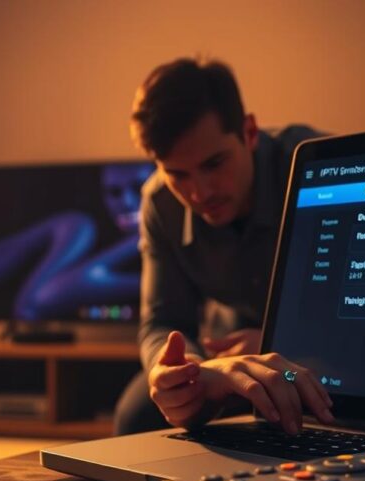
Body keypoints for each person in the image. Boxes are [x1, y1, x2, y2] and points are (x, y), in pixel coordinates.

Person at [113, 57, 336, 436]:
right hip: (223, 367)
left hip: (322, 355)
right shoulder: (159, 204)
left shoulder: (320, 165)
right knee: (137, 415)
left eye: (214, 164)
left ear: (249, 132)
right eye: (176, 174)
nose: (199, 193)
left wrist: (277, 342)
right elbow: (162, 323)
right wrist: (182, 375)